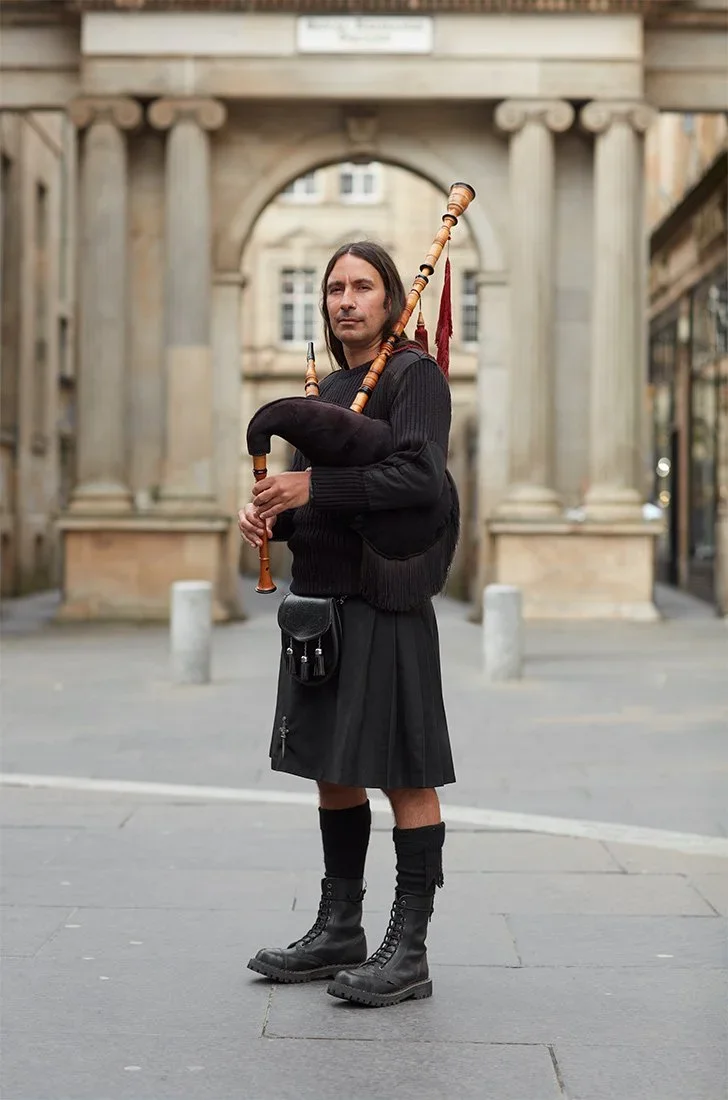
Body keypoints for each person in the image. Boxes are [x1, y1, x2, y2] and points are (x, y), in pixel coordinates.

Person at [238, 241, 456, 1008]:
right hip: (321, 603)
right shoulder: (331, 387)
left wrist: (311, 487)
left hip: (385, 597)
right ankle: (339, 928)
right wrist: (273, 514)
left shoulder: (413, 377)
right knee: (333, 767)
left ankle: (410, 949)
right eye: (335, 288)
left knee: (405, 770)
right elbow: (313, 501)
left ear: (391, 300)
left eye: (362, 286)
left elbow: (419, 477)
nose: (344, 300)